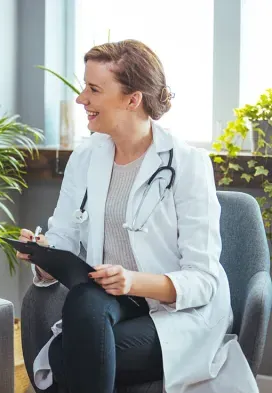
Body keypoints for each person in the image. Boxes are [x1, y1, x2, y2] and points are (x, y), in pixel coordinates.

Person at [18, 39, 257, 393]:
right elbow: (65, 236)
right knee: (84, 301)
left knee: (68, 359)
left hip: (177, 314)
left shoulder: (187, 164)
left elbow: (203, 280)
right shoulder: (85, 158)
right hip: (106, 300)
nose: (81, 98)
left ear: (133, 99)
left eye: (94, 89)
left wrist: (131, 281)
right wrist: (43, 253)